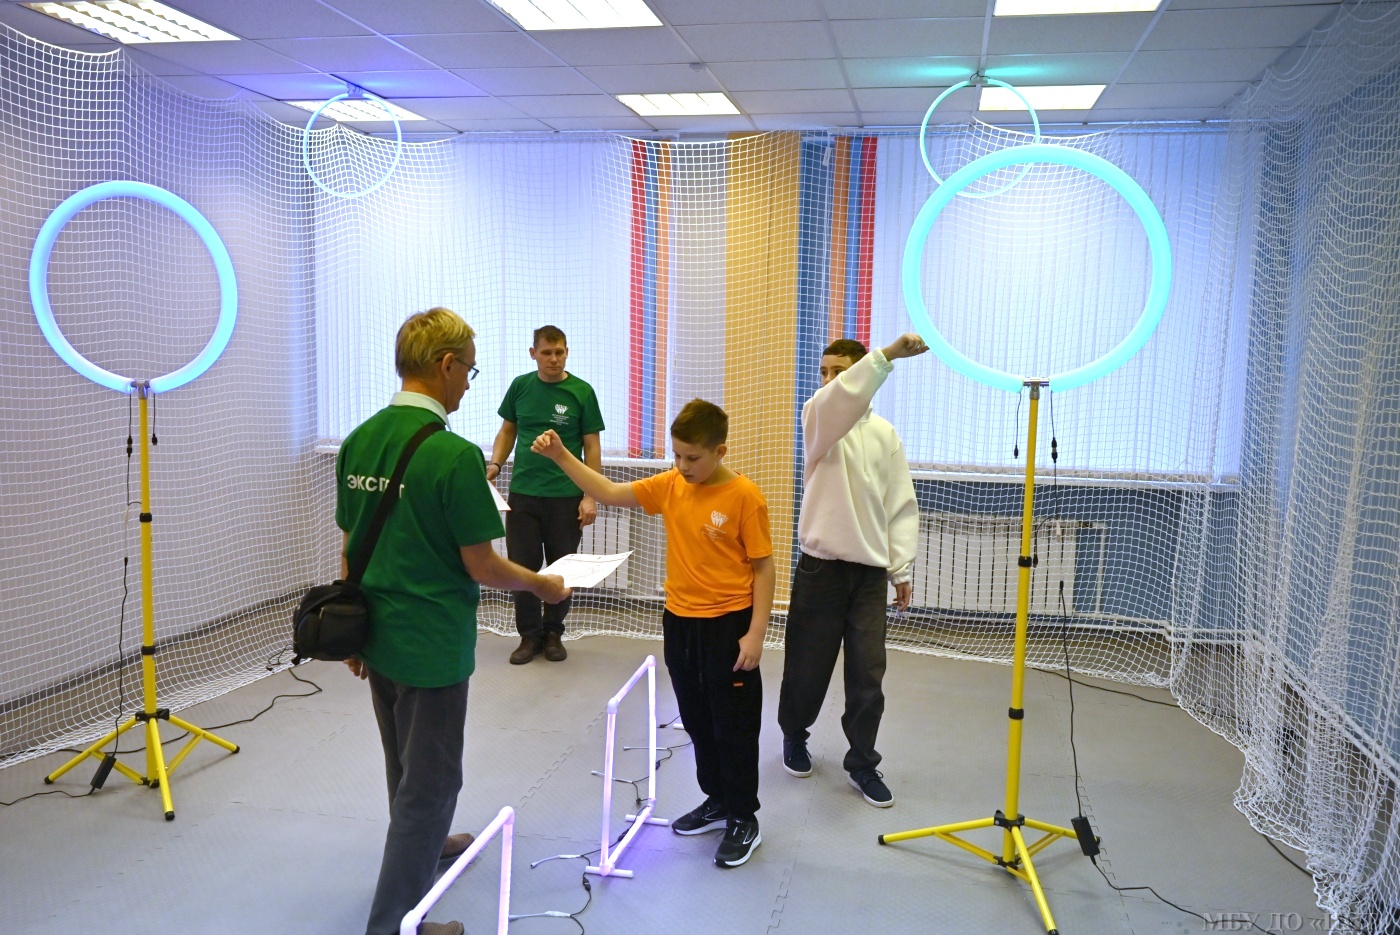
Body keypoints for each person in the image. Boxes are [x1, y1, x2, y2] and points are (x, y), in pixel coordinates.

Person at [338, 307, 570, 935]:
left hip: (377, 636)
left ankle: (427, 844)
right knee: (433, 782)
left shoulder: (360, 439)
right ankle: (395, 923)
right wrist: (542, 583)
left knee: (403, 763)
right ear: (444, 366)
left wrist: (352, 630)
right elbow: (483, 566)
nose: (469, 382)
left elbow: (351, 544)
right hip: (432, 646)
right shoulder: (453, 455)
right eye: (468, 369)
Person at [530, 399, 773, 869]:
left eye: (693, 458)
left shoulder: (745, 497)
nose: (682, 465)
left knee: (733, 725)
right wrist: (561, 454)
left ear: (720, 451)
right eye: (676, 455)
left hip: (729, 626)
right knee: (696, 718)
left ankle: (744, 816)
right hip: (679, 622)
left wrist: (756, 633)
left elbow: (764, 567)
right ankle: (718, 799)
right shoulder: (671, 485)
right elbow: (606, 490)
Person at [777, 333, 926, 809]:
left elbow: (899, 504)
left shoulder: (884, 434)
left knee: (867, 675)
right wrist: (887, 355)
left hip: (868, 578)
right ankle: (794, 735)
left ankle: (862, 762)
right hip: (820, 571)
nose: (828, 380)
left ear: (862, 375)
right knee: (806, 666)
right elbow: (839, 402)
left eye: (839, 372)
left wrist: (901, 569)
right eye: (823, 372)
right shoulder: (817, 417)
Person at [486, 325, 605, 665]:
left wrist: (590, 495)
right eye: (547, 353)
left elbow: (592, 447)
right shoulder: (520, 387)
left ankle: (553, 634)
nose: (554, 359)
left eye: (559, 352)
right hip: (523, 495)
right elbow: (507, 431)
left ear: (567, 353)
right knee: (521, 568)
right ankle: (529, 636)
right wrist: (495, 464)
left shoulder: (582, 392)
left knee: (561, 569)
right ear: (533, 353)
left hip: (566, 497)